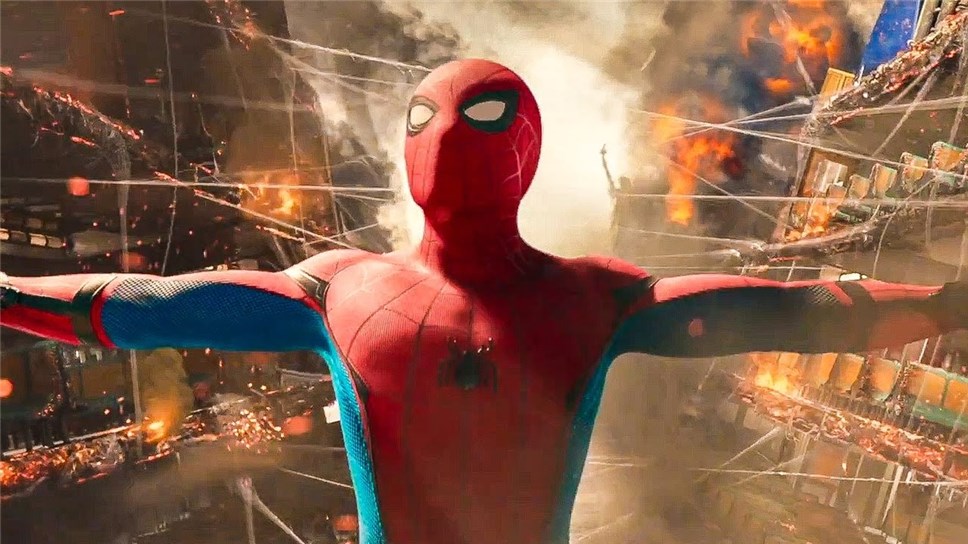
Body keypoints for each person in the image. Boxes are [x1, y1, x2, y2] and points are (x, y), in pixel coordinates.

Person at [1, 59, 967, 544]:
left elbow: (800, 308)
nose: (449, 137)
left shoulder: (579, 298)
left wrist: (951, 302)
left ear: (525, 145)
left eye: (479, 117)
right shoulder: (352, 291)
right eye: (429, 119)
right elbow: (143, 304)